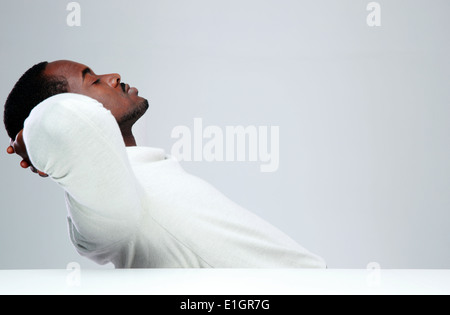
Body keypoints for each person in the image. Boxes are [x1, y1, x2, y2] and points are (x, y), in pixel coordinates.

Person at [4, 60, 326, 268]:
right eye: (93, 81)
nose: (114, 76)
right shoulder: (108, 210)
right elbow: (57, 120)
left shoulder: (140, 174)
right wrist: (35, 135)